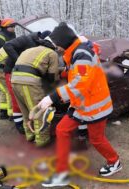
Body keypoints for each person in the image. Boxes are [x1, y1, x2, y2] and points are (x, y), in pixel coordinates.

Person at [38, 22, 121, 187]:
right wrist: (63, 72)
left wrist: (52, 97)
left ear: (63, 43)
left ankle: (115, 162)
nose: (55, 48)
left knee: (96, 139)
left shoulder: (81, 54)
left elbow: (80, 84)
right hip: (81, 105)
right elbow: (79, 72)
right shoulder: (74, 52)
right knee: (62, 130)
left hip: (95, 106)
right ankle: (62, 173)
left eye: (56, 45)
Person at [11, 39, 60, 147]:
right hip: (29, 82)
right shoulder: (52, 53)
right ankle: (42, 140)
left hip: (14, 79)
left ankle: (30, 135)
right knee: (39, 109)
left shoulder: (29, 50)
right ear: (53, 47)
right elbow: (52, 77)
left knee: (25, 110)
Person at [3, 31, 51, 134]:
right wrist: (18, 61)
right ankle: (19, 124)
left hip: (23, 74)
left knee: (25, 100)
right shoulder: (26, 39)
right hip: (12, 72)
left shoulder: (38, 45)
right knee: (17, 100)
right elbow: (7, 45)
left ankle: (27, 123)